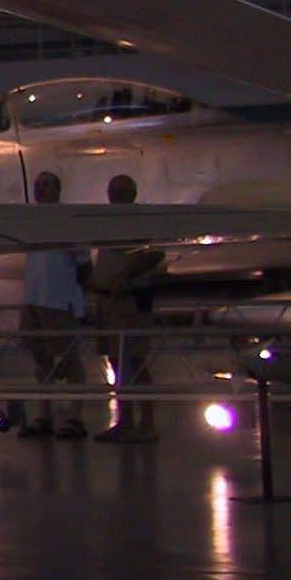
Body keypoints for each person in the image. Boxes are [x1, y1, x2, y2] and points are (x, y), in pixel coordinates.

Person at [91, 173, 162, 444]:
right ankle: (126, 421)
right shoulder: (109, 223)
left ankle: (147, 424)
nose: (117, 195)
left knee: (134, 360)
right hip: (108, 302)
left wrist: (126, 276)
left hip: (129, 303)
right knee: (117, 361)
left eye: (122, 190)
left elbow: (155, 253)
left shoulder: (140, 220)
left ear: (133, 194)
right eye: (113, 191)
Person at [17, 171, 88, 439]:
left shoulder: (68, 220)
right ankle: (44, 413)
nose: (41, 189)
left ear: (58, 190)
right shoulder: (30, 221)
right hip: (34, 299)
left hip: (58, 300)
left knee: (69, 358)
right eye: (38, 185)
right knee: (40, 357)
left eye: (46, 185)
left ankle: (76, 416)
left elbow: (84, 264)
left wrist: (76, 295)